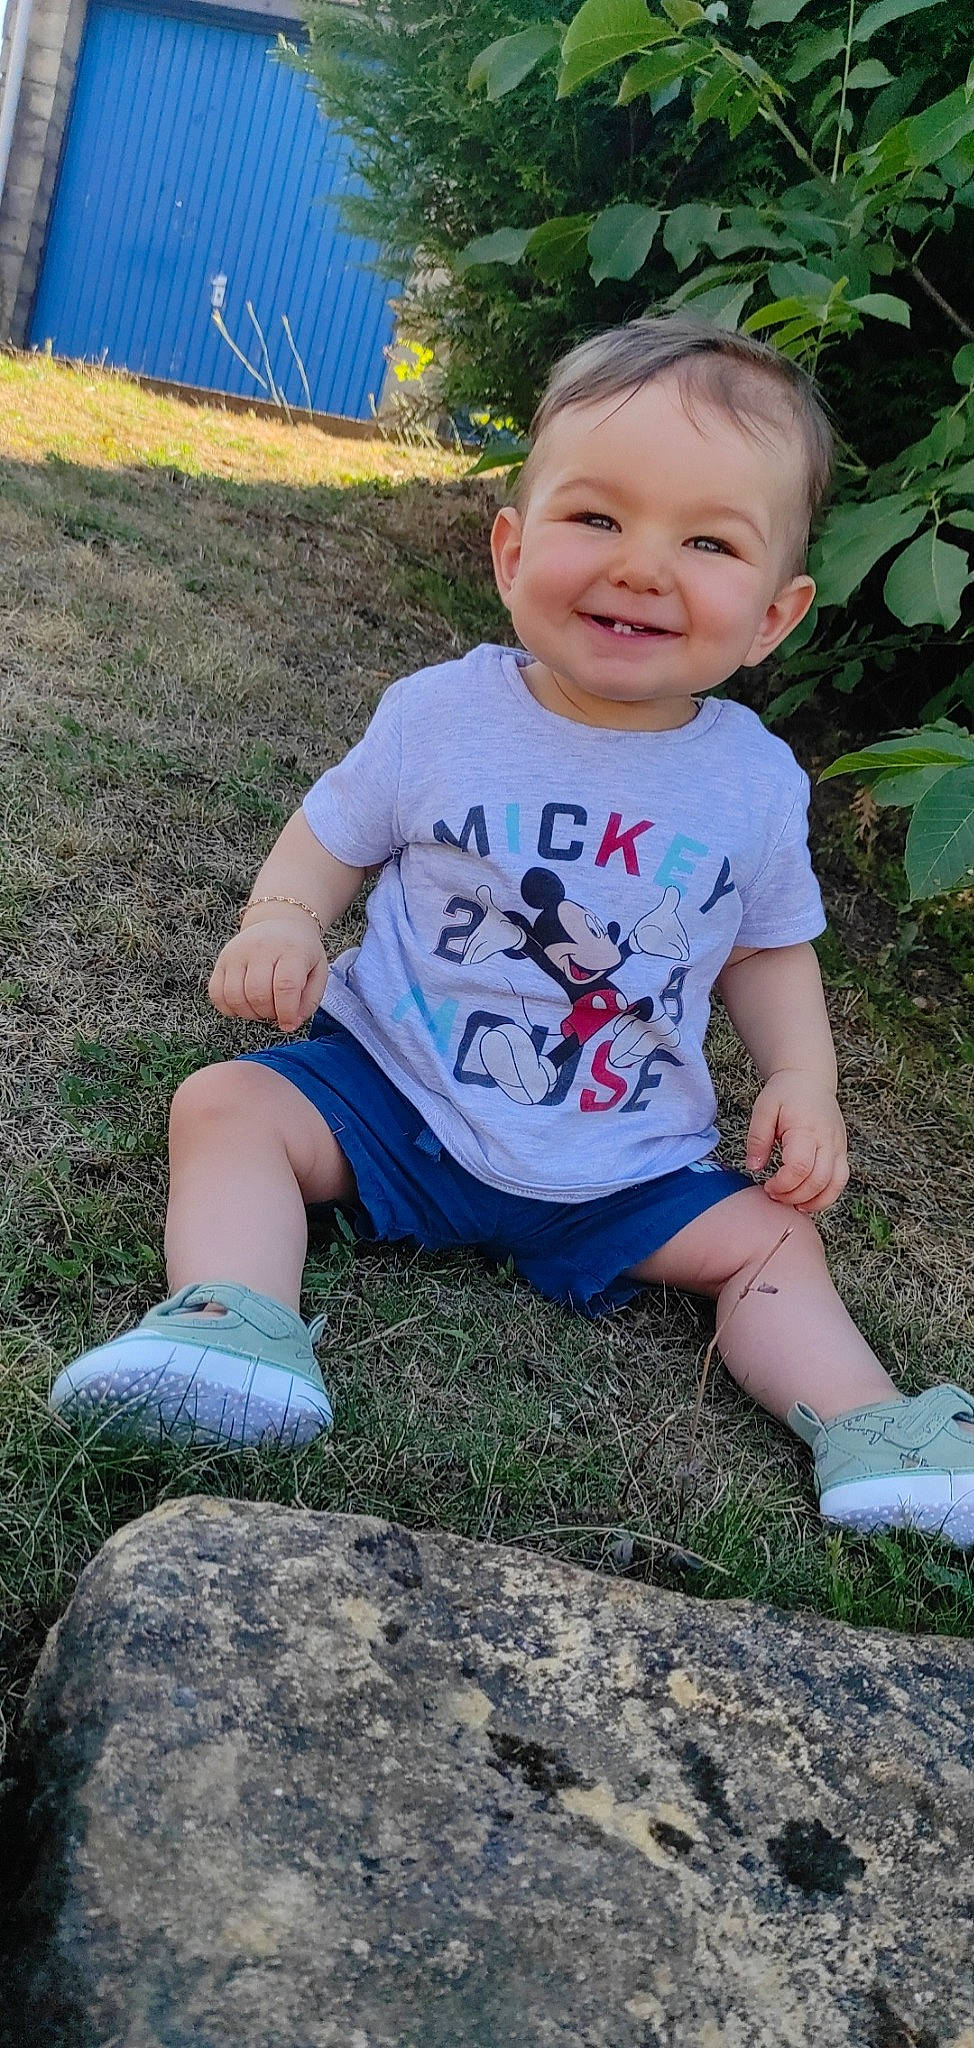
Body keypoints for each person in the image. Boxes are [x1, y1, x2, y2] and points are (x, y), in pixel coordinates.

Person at [50, 316, 974, 1544]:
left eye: (705, 540)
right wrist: (282, 915)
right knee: (226, 1105)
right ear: (509, 547)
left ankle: (868, 1425)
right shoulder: (439, 713)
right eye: (596, 518)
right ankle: (232, 1324)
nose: (642, 566)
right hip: (401, 1093)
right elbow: (335, 830)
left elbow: (763, 946)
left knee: (771, 1239)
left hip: (629, 1156)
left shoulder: (751, 782)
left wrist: (804, 1076)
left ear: (771, 616)